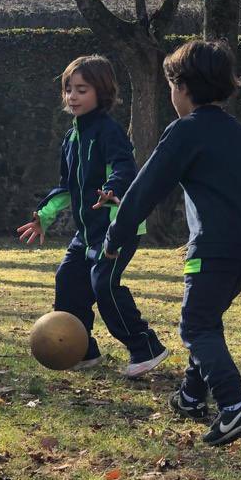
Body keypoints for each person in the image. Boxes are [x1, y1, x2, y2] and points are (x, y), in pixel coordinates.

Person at [103, 40, 241, 444]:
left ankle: (233, 405)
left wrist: (116, 235)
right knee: (208, 318)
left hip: (214, 248)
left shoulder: (185, 131)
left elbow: (146, 188)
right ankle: (191, 396)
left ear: (180, 87)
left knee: (196, 325)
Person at [17, 54, 167, 378]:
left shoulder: (109, 132)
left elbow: (125, 168)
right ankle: (83, 349)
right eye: (68, 89)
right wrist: (43, 216)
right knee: (68, 282)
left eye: (81, 89)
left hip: (118, 228)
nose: (72, 96)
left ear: (102, 91)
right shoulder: (70, 139)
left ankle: (146, 346)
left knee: (104, 284)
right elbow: (66, 186)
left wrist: (111, 189)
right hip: (86, 234)